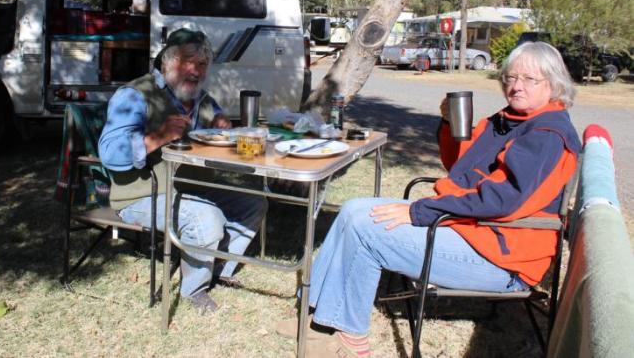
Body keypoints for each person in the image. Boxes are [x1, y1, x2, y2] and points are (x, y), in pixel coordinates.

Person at [276, 41, 581, 357]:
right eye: (511, 77)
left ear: (553, 84)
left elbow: (500, 201)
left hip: (502, 257)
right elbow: (460, 167)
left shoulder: (546, 135)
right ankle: (316, 314)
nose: (516, 86)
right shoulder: (507, 120)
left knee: (367, 231)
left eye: (529, 79)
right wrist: (449, 124)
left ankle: (351, 338)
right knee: (353, 209)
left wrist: (422, 212)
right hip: (471, 227)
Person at [98, 28, 267, 313]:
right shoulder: (134, 95)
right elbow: (110, 154)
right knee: (205, 217)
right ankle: (194, 290)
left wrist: (223, 125)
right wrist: (158, 136)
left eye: (202, 64)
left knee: (253, 202)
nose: (196, 70)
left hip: (192, 188)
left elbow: (218, 124)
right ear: (169, 61)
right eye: (189, 61)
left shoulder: (199, 98)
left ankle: (218, 268)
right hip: (141, 196)